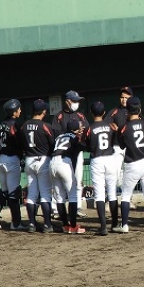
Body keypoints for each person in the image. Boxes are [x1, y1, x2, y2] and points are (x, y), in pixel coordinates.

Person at [118, 97, 144, 232]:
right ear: (139, 109)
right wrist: (140, 114)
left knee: (126, 196)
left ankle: (124, 225)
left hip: (132, 163)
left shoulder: (124, 127)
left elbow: (121, 146)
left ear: (127, 110)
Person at [19, 99, 55, 233]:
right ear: (44, 111)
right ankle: (47, 225)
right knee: (45, 193)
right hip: (43, 160)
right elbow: (52, 144)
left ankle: (31, 224)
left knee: (32, 194)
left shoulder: (24, 125)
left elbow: (21, 142)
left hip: (29, 159)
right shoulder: (45, 125)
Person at [0, 99, 26, 230]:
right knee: (13, 192)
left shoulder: (1, 123)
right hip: (12, 159)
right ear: (14, 112)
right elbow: (20, 142)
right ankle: (16, 223)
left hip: (1, 159)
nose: (20, 111)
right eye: (18, 109)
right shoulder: (15, 124)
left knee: (4, 191)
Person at [53, 90, 89, 218]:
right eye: (74, 101)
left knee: (78, 181)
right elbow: (56, 134)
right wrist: (71, 132)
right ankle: (57, 210)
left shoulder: (80, 115)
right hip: (64, 154)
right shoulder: (59, 116)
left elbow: (87, 131)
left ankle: (77, 207)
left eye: (78, 101)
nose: (76, 103)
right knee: (59, 184)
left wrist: (80, 133)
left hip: (77, 152)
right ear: (67, 101)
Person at [85, 101, 117, 236]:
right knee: (112, 192)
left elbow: (87, 146)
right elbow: (114, 141)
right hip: (110, 158)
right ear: (104, 113)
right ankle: (115, 224)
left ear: (91, 113)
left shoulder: (89, 128)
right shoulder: (111, 126)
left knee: (99, 194)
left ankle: (103, 226)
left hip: (97, 159)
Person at [50, 119, 86, 234]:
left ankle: (66, 225)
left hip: (52, 163)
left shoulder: (59, 137)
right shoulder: (75, 137)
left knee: (59, 197)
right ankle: (73, 226)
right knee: (73, 196)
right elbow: (83, 146)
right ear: (76, 129)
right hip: (64, 163)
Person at [106, 86, 133, 205]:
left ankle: (127, 199)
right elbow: (104, 124)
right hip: (117, 146)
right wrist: (110, 125)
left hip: (130, 147)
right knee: (114, 174)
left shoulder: (135, 111)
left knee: (129, 175)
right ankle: (110, 200)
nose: (124, 99)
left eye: (127, 97)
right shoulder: (114, 111)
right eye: (122, 97)